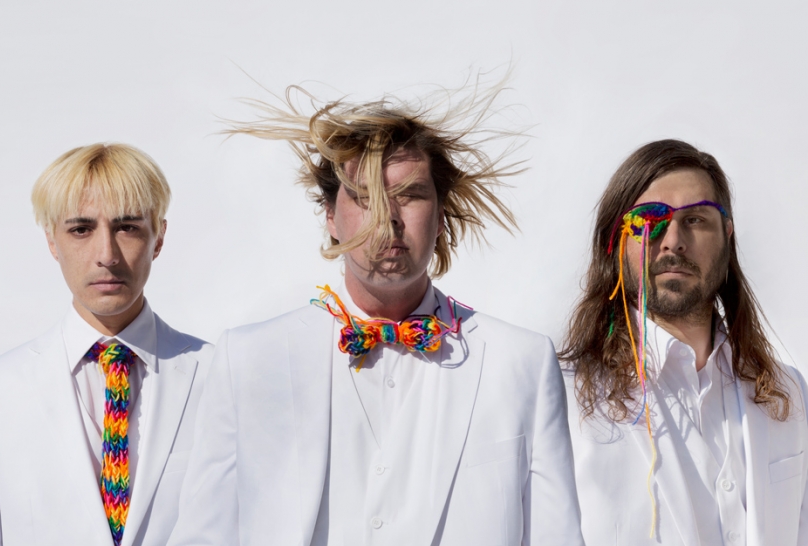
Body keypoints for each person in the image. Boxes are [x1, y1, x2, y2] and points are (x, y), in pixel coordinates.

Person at [168, 84, 584, 546]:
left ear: (440, 215)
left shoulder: (521, 362)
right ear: (330, 216)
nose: (389, 218)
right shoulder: (248, 358)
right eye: (365, 197)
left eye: (411, 194)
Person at [560, 139, 808, 545]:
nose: (673, 240)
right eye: (649, 219)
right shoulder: (564, 397)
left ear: (727, 236)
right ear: (616, 240)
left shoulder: (789, 393)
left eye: (695, 219)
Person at [0, 143, 213, 546]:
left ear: (159, 237)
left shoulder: (217, 376)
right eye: (81, 229)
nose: (106, 255)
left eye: (127, 227)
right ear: (51, 240)